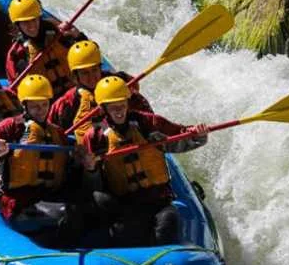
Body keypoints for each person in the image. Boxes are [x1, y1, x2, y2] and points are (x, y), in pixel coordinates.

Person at [82, 76, 211, 247]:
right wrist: (91, 170)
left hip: (159, 201)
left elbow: (179, 137)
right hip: (125, 204)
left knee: (169, 222)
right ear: (104, 109)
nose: (119, 111)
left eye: (122, 105)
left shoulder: (148, 123)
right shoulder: (95, 138)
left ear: (128, 103)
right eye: (113, 108)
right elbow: (92, 183)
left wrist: (197, 135)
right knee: (124, 232)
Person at [0, 75, 93, 247]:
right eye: (34, 106)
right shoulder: (10, 128)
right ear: (24, 106)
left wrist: (80, 162)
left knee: (93, 205)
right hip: (19, 204)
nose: (40, 110)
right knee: (69, 213)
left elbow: (66, 172)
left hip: (49, 197)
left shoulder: (57, 133)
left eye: (44, 105)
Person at [47, 40, 153, 144]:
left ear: (100, 68)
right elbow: (51, 131)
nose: (92, 77)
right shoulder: (67, 103)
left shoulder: (120, 85)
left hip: (132, 143)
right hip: (98, 154)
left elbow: (146, 112)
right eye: (85, 73)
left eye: (94, 70)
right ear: (75, 76)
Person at [4, 0, 83, 98]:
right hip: (47, 104)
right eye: (25, 22)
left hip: (78, 91)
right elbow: (16, 90)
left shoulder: (60, 33)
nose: (31, 25)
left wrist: (79, 36)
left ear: (39, 18)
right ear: (18, 24)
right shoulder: (17, 54)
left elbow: (89, 53)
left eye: (34, 20)